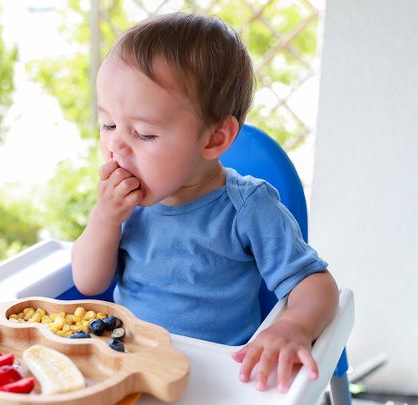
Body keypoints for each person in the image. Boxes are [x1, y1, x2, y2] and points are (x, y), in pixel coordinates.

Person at [72, 12, 338, 393]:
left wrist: (293, 325)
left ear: (214, 139)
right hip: (128, 362)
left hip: (215, 379)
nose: (115, 145)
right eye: (108, 125)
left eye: (144, 133)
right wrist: (105, 218)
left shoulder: (247, 208)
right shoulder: (125, 204)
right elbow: (88, 281)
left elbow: (315, 282)